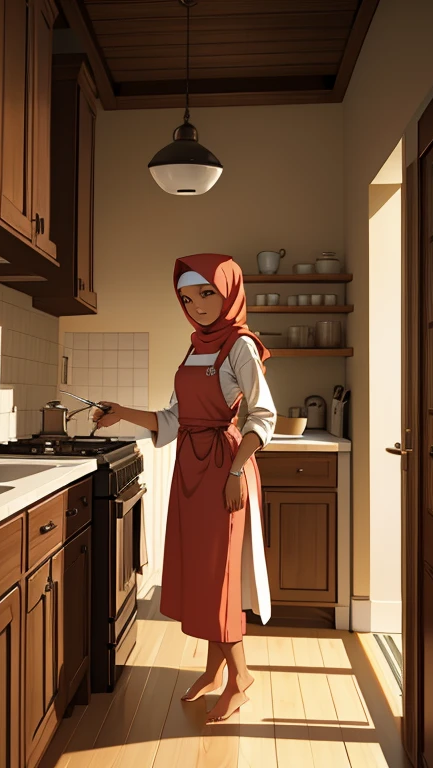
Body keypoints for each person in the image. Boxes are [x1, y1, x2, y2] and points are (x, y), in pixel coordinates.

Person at [93, 253, 277, 723]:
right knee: (200, 573)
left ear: (229, 292)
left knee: (219, 577)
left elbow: (263, 416)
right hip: (189, 468)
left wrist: (236, 472)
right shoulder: (195, 345)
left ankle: (240, 677)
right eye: (187, 297)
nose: (196, 305)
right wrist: (121, 412)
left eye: (206, 294)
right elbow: (173, 420)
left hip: (223, 468)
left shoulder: (240, 346)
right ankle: (216, 670)